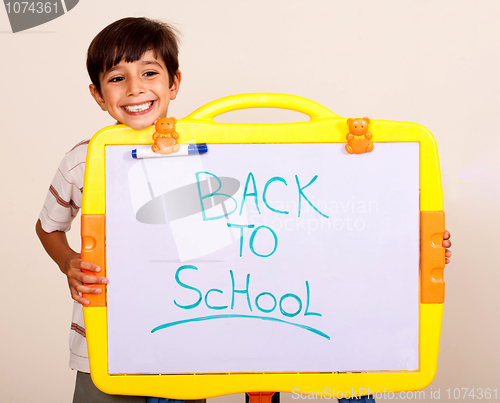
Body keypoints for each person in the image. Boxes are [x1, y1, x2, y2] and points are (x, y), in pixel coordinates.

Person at [35, 17, 204, 403]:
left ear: (173, 83)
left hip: (184, 336)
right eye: (117, 78)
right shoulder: (83, 159)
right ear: (98, 95)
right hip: (103, 342)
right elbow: (48, 227)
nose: (135, 89)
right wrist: (68, 263)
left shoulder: (200, 154)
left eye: (149, 72)